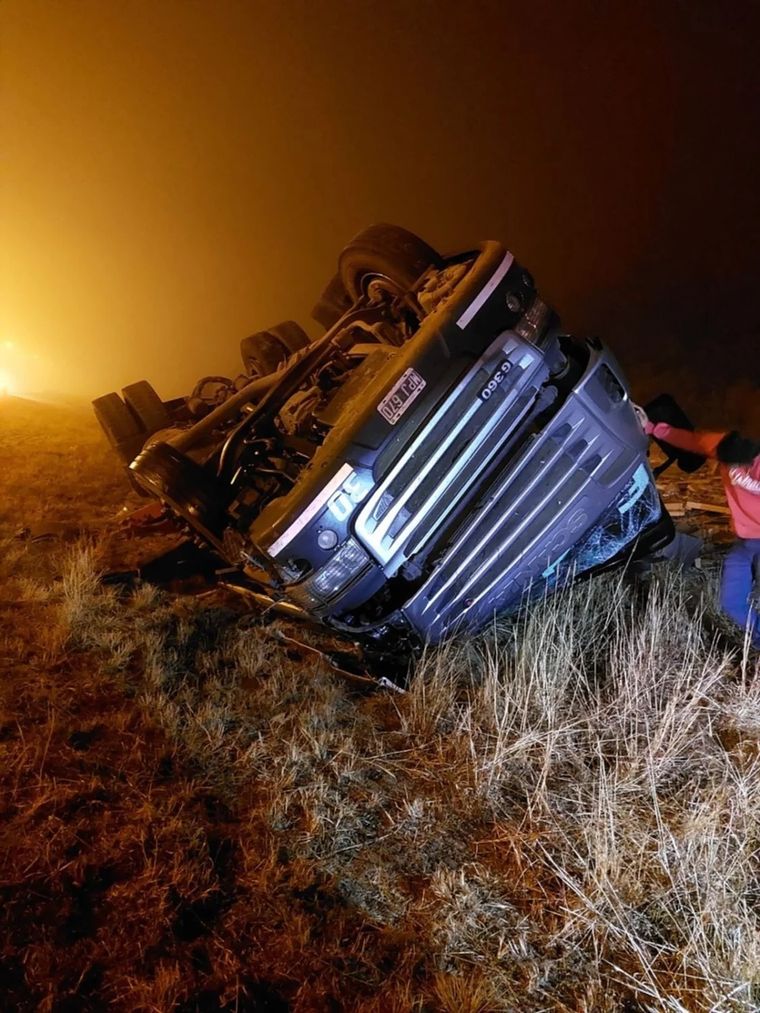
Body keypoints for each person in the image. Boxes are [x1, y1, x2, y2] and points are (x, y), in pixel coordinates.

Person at [637, 410, 760, 649]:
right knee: (731, 602)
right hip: (744, 541)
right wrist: (650, 427)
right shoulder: (724, 445)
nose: (733, 467)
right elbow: (690, 440)